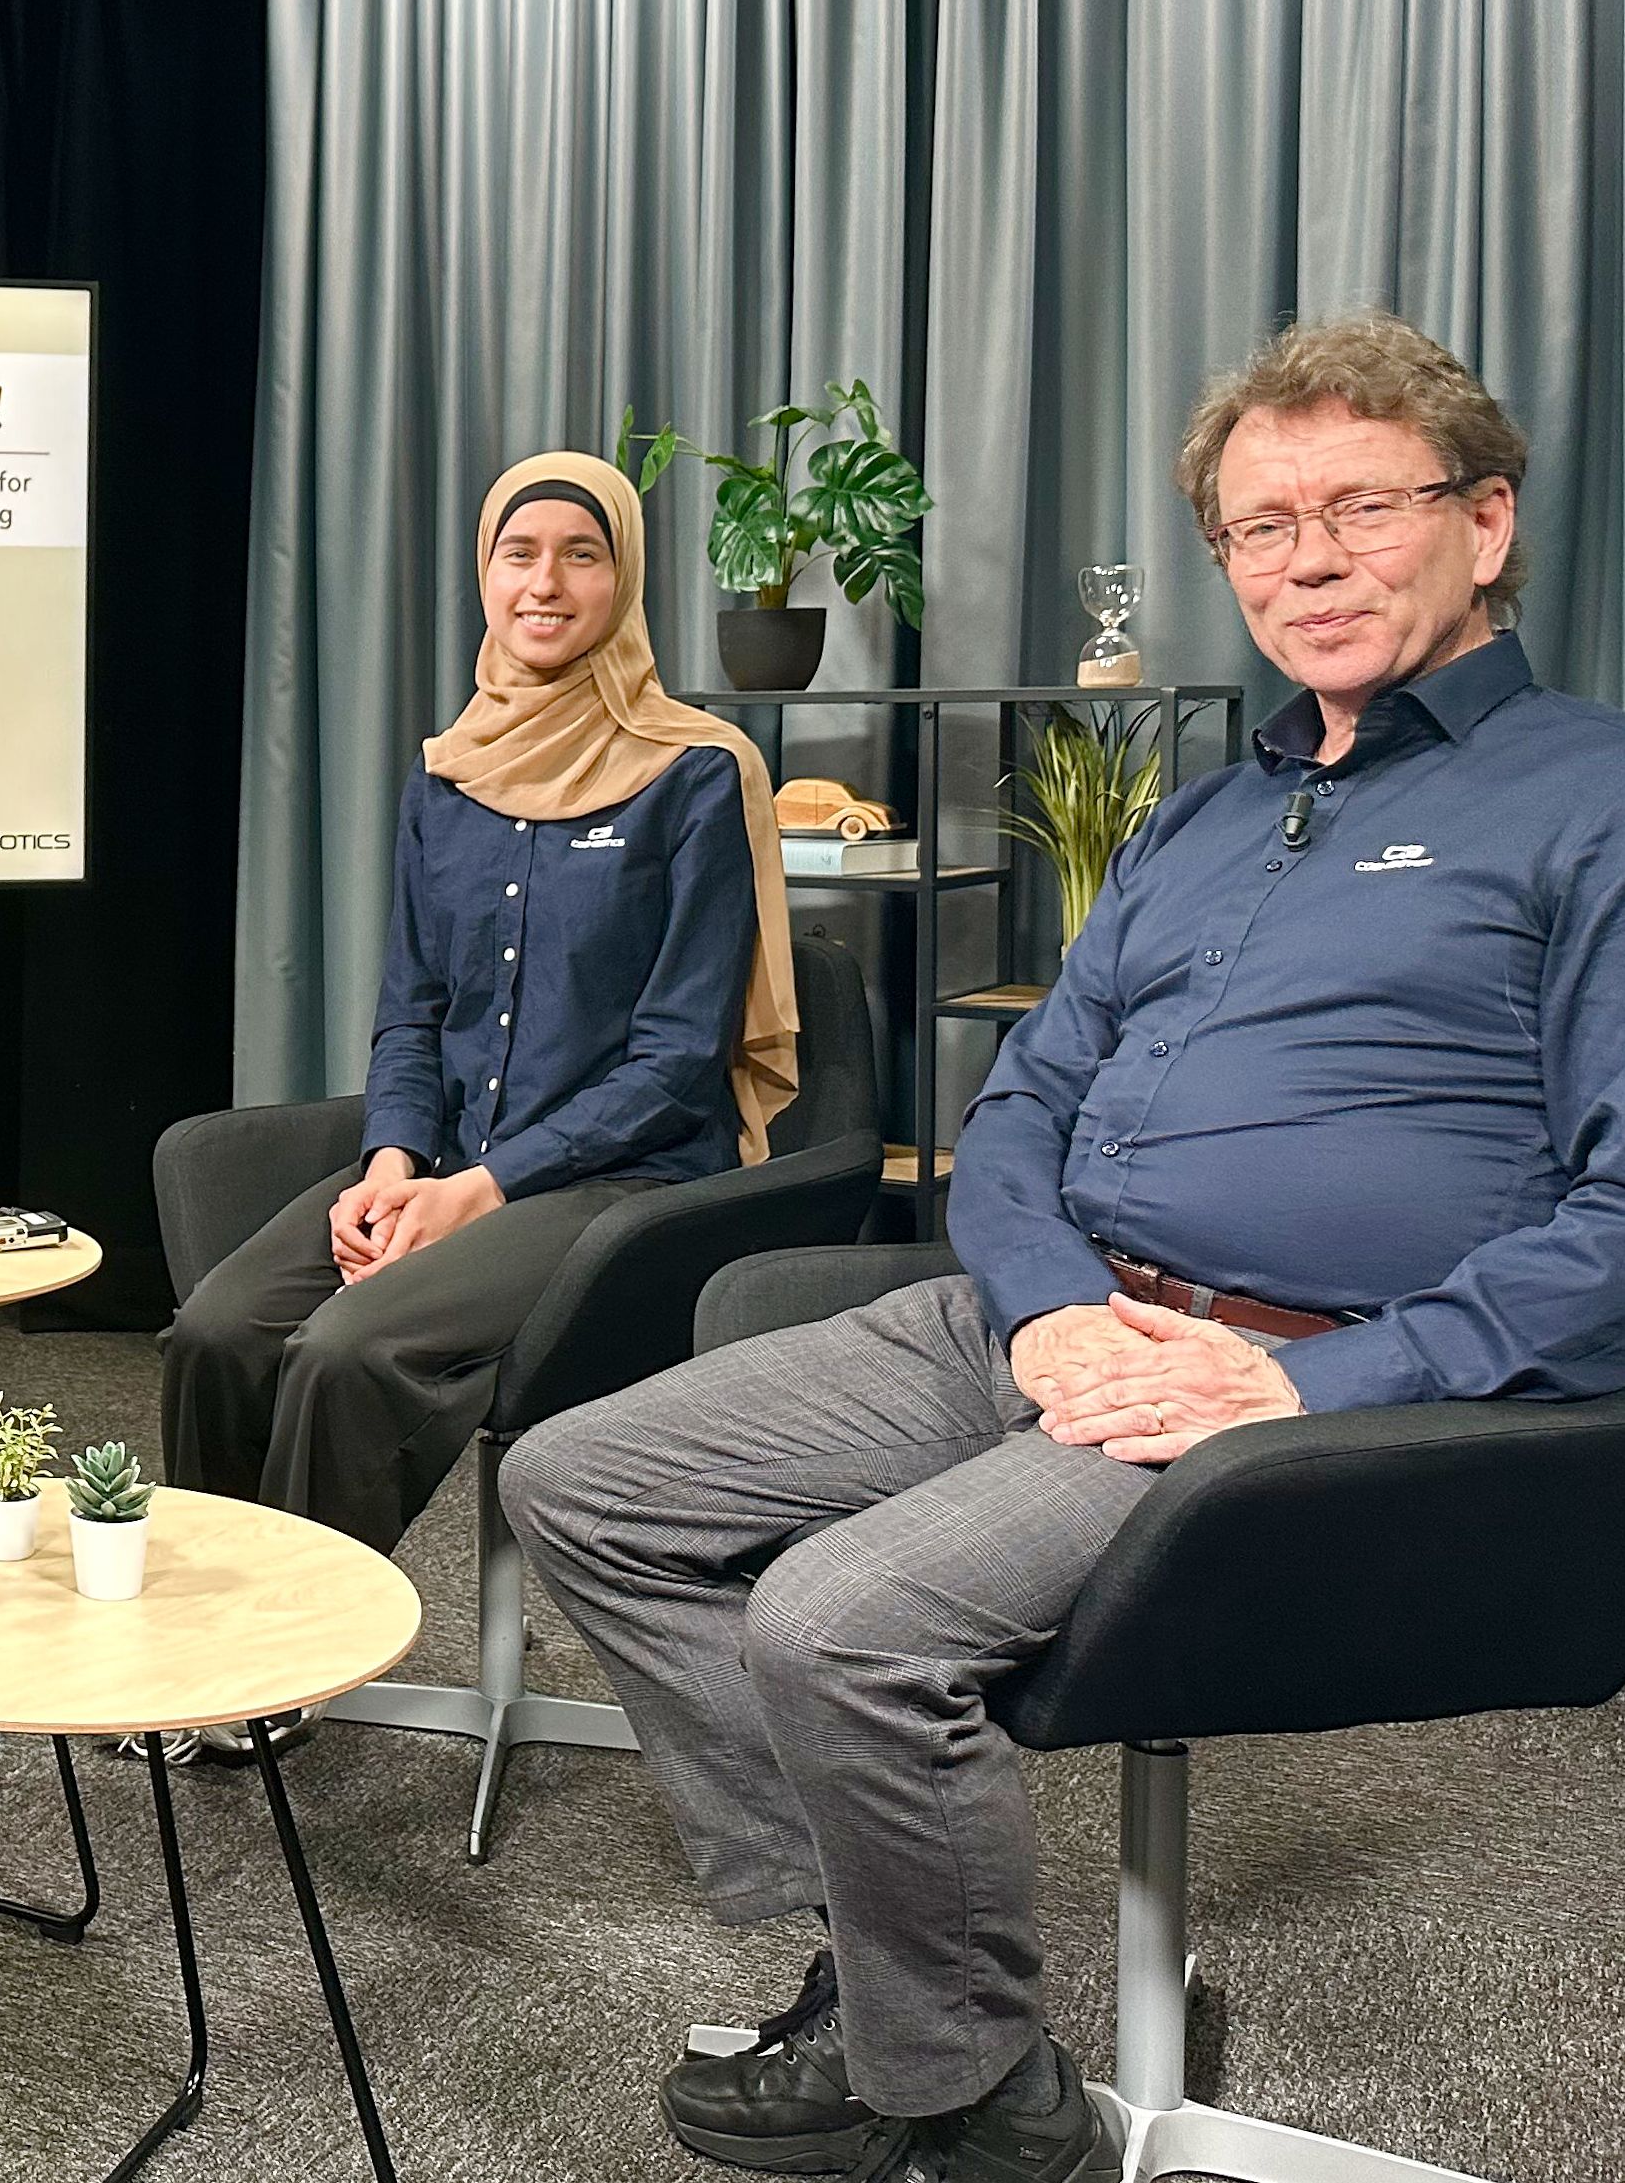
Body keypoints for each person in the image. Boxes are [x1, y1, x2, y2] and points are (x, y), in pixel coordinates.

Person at [501, 312, 1625, 2183]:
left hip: (1289, 1379)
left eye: (1360, 506)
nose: (1309, 559)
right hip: (1046, 1317)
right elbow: (1018, 1109)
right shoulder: (1199, 820)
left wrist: (1298, 1375)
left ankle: (963, 2103)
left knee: (835, 1618)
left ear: (1486, 521)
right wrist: (1035, 1317)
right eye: (1260, 529)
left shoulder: (1586, 802)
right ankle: (894, 1980)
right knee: (583, 1482)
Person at [157, 453, 797, 1749]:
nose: (544, 581)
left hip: (615, 1180)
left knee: (348, 1349)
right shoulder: (443, 775)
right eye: (518, 553)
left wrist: (478, 1188)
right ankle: (200, 1643)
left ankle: (285, 1661)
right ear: (482, 573)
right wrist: (391, 1159)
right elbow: (408, 1012)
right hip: (440, 1162)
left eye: (580, 552)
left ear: (622, 579)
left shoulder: (696, 772)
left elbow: (676, 1058)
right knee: (214, 1330)